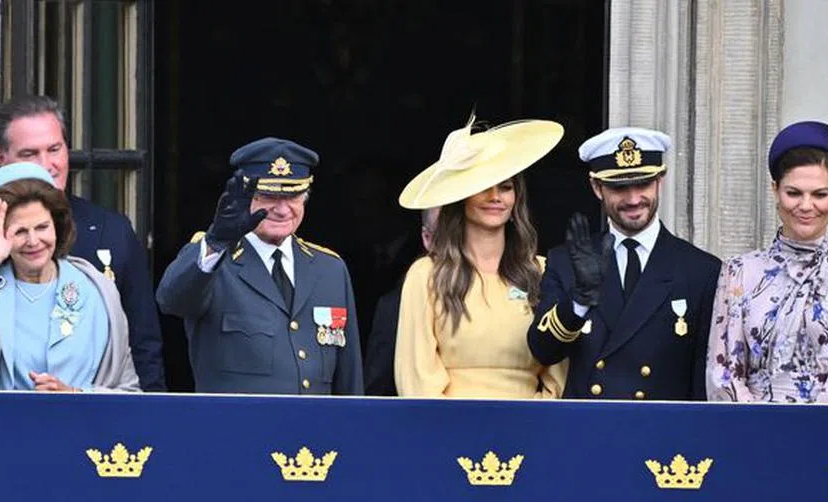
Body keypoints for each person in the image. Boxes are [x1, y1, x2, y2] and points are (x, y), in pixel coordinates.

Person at [0, 94, 164, 390]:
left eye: (54, 149)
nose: (47, 165)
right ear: (0, 157)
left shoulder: (109, 241)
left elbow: (140, 351)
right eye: (30, 154)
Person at [156, 137, 363, 395]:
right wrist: (216, 241)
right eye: (269, 196)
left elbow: (349, 380)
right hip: (240, 432)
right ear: (245, 197)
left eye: (293, 196)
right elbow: (170, 300)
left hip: (314, 433)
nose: (282, 209)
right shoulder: (215, 260)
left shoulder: (329, 269)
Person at [528, 127, 720, 400]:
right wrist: (580, 300)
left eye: (642, 184)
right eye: (619, 187)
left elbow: (703, 382)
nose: (633, 199)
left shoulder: (701, 270)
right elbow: (543, 350)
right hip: (591, 431)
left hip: (664, 436)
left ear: (659, 181)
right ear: (597, 187)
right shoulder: (565, 260)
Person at [707, 121, 828, 403]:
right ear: (775, 190)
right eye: (794, 193)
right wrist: (757, 430)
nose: (806, 206)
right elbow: (724, 374)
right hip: (747, 435)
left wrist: (809, 434)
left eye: (820, 194)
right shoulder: (739, 271)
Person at [393, 117, 566, 398]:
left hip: (530, 432)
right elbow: (417, 379)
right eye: (483, 186)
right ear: (459, 196)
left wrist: (534, 428)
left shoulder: (544, 271)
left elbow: (559, 377)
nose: (495, 196)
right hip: (449, 432)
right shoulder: (425, 274)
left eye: (506, 187)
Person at [0, 163, 140, 392]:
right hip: (1, 423)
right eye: (20, 231)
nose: (33, 241)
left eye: (42, 227)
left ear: (57, 226)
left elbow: (129, 391)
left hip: (81, 424)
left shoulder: (96, 287)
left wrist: (75, 395)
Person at [364, 207, 438, 396]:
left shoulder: (516, 281)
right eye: (447, 233)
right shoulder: (395, 306)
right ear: (427, 239)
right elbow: (377, 392)